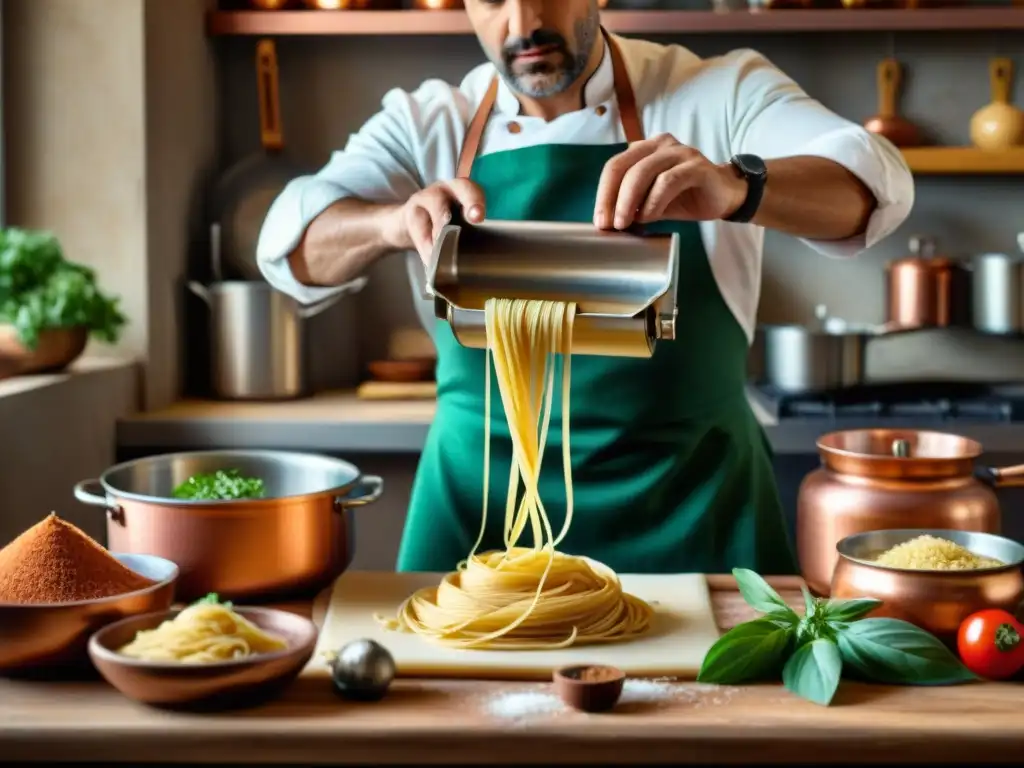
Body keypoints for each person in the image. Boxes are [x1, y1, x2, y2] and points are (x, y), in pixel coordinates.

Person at [257, 0, 914, 576]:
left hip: (690, 510)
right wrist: (391, 221)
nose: (524, 23)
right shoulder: (427, 123)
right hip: (480, 514)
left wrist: (738, 187)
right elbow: (289, 246)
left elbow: (873, 184)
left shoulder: (715, 94)